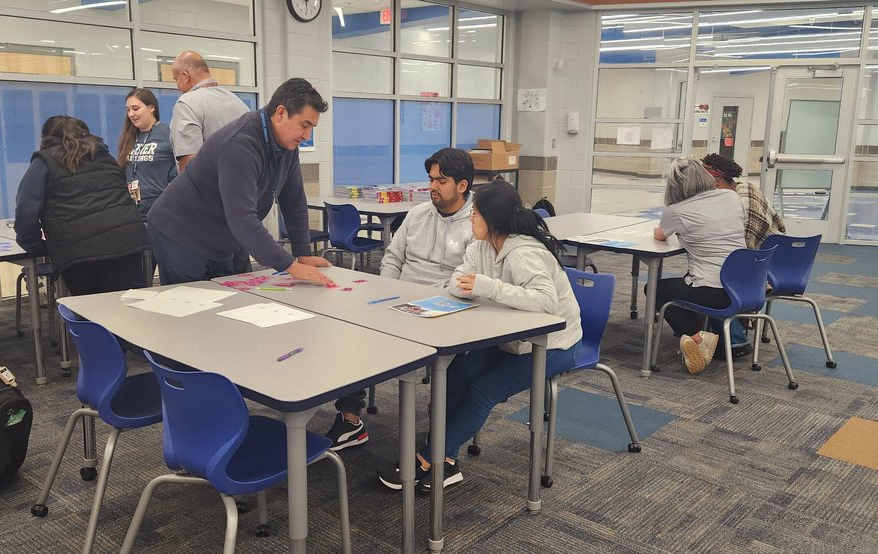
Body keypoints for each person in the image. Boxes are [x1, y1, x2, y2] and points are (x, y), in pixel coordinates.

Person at [378, 180, 582, 492]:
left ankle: (429, 457)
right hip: (509, 338)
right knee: (455, 376)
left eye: (475, 213)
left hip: (553, 343)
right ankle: (445, 459)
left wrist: (486, 287)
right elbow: (458, 281)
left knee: (482, 391)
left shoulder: (524, 252)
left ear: (493, 218)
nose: (470, 218)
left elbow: (546, 303)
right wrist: (465, 286)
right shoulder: (481, 246)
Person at [324, 148, 477, 452]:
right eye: (431, 179)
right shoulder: (418, 214)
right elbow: (392, 258)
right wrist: (387, 294)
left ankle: (442, 440)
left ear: (462, 186)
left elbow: (467, 277)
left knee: (456, 361)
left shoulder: (477, 222)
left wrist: (428, 301)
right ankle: (351, 419)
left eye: (441, 180)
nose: (432, 186)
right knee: (358, 334)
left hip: (448, 308)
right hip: (400, 301)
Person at [147, 78, 334, 286]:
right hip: (180, 232)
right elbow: (243, 219)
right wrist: (290, 265)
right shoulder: (241, 144)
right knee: (191, 306)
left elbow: (294, 200)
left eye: (312, 128)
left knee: (227, 302)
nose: (307, 135)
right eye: (304, 125)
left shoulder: (287, 147)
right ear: (281, 113)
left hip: (219, 237)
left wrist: (303, 252)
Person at [13, 116, 148, 296]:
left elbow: (25, 210)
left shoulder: (44, 162)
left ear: (46, 137)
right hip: (126, 243)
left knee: (89, 311)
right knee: (119, 311)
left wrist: (38, 247)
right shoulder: (105, 157)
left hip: (78, 251)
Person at [649, 157, 746, 374]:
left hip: (716, 290)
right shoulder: (730, 197)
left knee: (655, 289)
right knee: (687, 281)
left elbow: (660, 235)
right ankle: (711, 335)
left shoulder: (675, 211)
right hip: (747, 284)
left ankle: (697, 337)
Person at [702, 153, 785, 360]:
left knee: (710, 276)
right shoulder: (747, 188)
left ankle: (735, 339)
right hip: (772, 260)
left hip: (755, 268)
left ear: (717, 181)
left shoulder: (736, 202)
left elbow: (738, 250)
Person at [169, 50, 250, 174]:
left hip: (207, 190)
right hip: (241, 186)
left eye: (176, 79)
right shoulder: (240, 104)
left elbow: (189, 163)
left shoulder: (187, 104)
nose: (177, 87)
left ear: (185, 76)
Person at [116, 88, 177, 219]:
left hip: (161, 210)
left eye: (136, 108)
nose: (131, 114)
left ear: (151, 108)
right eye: (128, 110)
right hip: (133, 210)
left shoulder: (168, 133)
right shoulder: (129, 137)